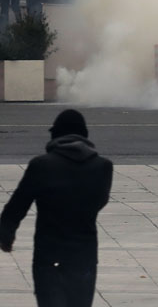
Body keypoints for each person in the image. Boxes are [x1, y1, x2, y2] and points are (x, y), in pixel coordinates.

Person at [1, 109, 113, 307]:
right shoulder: (103, 167)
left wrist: (6, 234)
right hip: (84, 256)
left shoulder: (41, 165)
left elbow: (18, 205)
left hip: (49, 254)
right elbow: (100, 202)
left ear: (56, 135)